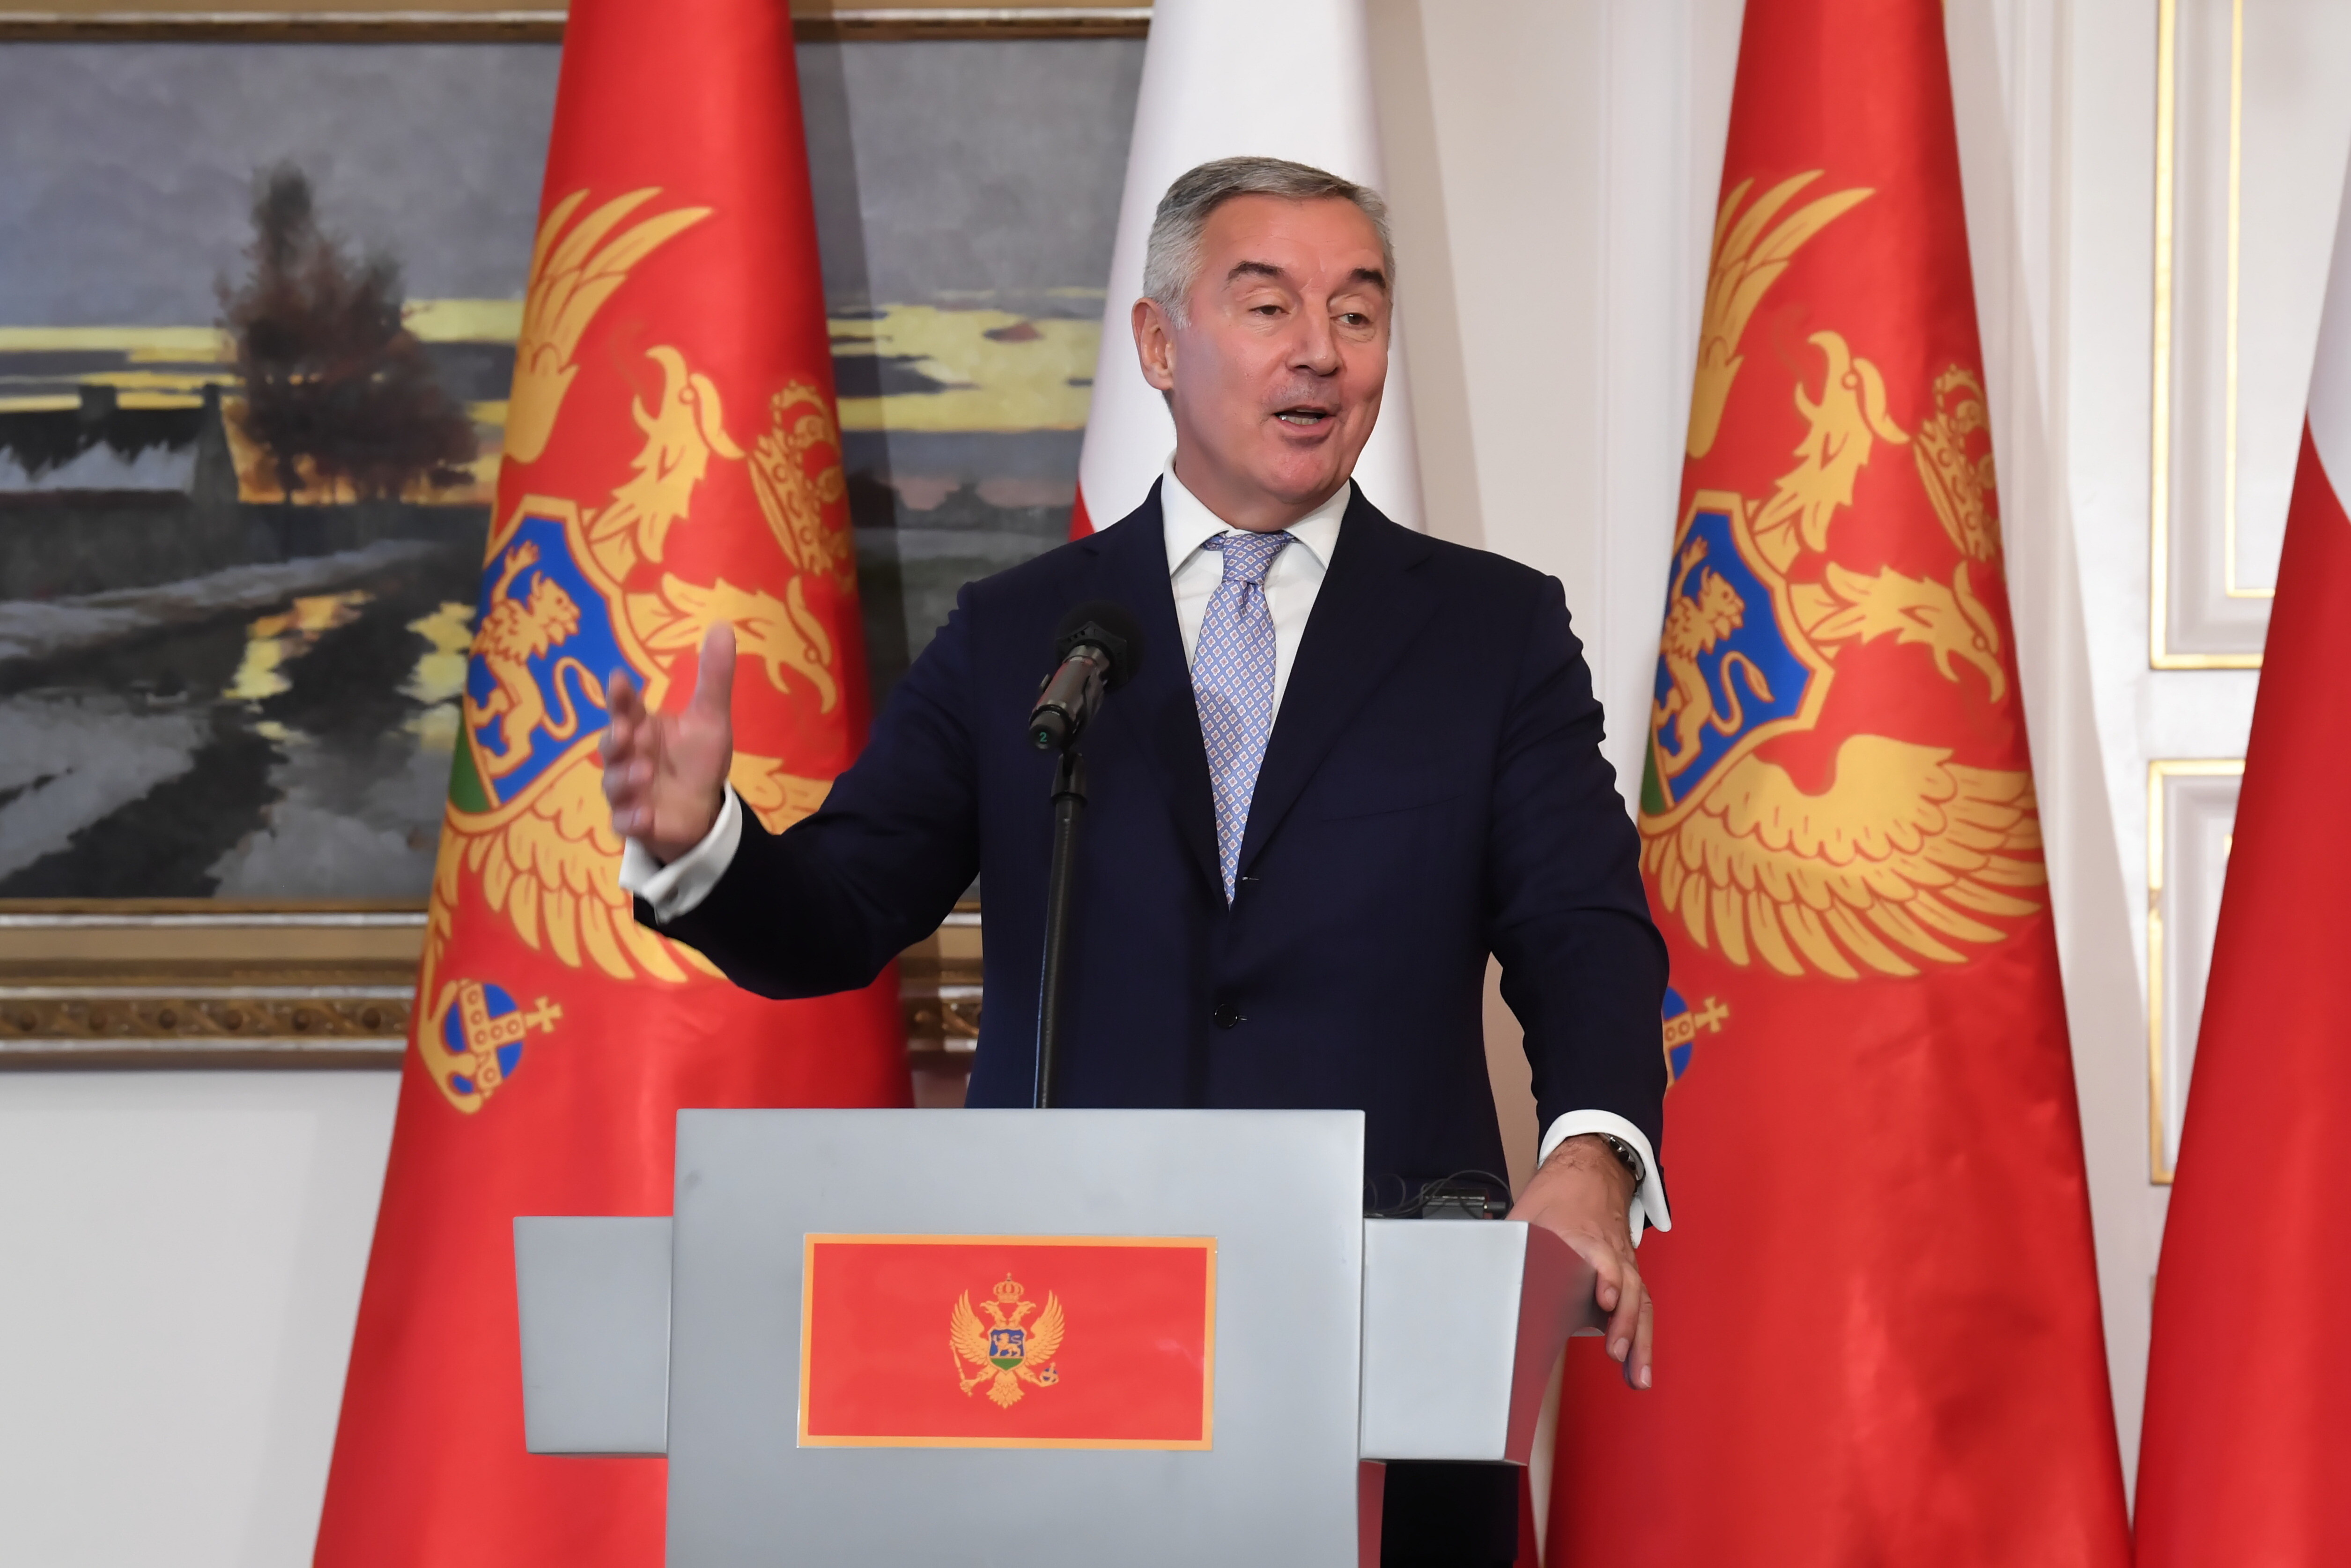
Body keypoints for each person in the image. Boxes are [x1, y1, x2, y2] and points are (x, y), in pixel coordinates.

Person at [601, 156, 1669, 1565]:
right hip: (1057, 1344)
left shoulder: (1492, 633)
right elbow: (837, 912)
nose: (1319, 351)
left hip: (1387, 1330)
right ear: (1159, 344)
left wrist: (1591, 1148)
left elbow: (1581, 928)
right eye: (1269, 304)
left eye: (1357, 313)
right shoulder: (1022, 634)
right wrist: (701, 848)